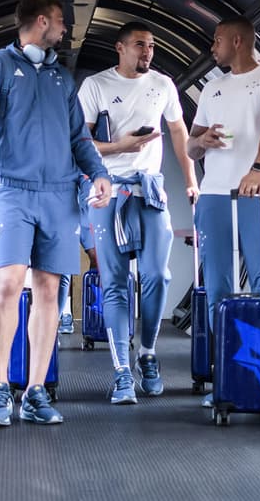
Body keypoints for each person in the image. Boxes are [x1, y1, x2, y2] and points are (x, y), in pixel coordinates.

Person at [0, 0, 111, 426]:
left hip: (58, 194)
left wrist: (98, 173)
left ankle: (35, 390)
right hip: (10, 190)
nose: (64, 30)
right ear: (41, 21)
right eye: (60, 21)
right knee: (10, 283)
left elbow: (79, 139)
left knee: (49, 290)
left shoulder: (61, 78)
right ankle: (0, 387)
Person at [78, 21, 198, 404]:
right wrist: (119, 148)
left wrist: (191, 177)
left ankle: (146, 354)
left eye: (151, 45)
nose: (147, 52)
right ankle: (120, 371)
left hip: (150, 191)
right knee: (113, 281)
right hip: (109, 191)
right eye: (139, 45)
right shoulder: (96, 85)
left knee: (157, 276)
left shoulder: (163, 85)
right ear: (120, 48)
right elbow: (80, 143)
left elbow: (179, 133)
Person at [186, 15, 260, 408]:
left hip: (257, 195)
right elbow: (192, 149)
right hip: (214, 196)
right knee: (218, 289)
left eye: (217, 40)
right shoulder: (211, 88)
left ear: (237, 40)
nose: (212, 48)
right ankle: (227, 378)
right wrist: (203, 141)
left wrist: (258, 169)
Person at [57, 174, 99, 335]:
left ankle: (95, 318)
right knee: (63, 270)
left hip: (88, 207)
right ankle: (58, 320)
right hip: (65, 208)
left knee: (97, 259)